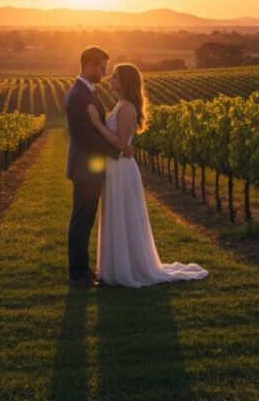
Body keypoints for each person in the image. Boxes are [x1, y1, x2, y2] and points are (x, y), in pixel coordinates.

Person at [86, 63, 208, 288]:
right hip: (116, 167)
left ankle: (127, 269)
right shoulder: (121, 105)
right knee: (118, 216)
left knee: (123, 216)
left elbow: (123, 146)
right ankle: (118, 266)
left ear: (125, 82)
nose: (110, 79)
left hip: (121, 167)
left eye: (115, 76)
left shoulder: (126, 108)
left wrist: (96, 123)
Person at [64, 46, 132, 287]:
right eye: (102, 68)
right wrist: (118, 151)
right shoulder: (79, 95)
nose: (104, 72)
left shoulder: (85, 91)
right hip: (85, 169)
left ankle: (83, 269)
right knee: (82, 221)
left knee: (85, 220)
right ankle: (78, 274)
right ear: (89, 66)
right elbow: (86, 137)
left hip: (89, 168)